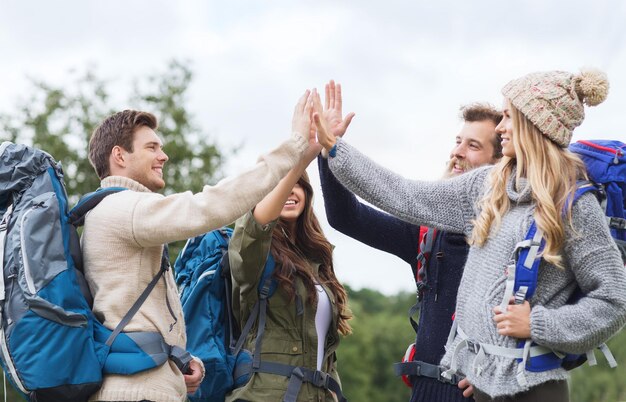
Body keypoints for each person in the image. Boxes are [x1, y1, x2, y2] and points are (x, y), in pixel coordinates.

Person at [314, 70, 626, 401]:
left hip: (535, 389)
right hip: (479, 389)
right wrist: (335, 150)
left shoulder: (574, 205)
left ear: (536, 125)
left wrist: (538, 324)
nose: (502, 127)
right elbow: (405, 195)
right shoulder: (487, 187)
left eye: (509, 117)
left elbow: (613, 300)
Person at [82, 91, 313, 402]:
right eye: (152, 147)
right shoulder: (125, 209)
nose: (163, 156)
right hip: (136, 391)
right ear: (119, 156)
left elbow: (134, 315)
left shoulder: (106, 214)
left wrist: (177, 362)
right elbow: (210, 206)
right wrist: (294, 147)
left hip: (141, 382)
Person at [317, 81, 502, 402]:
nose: (456, 152)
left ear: (497, 165)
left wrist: (499, 373)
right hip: (424, 390)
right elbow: (345, 217)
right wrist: (327, 152)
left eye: (473, 146)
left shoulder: (511, 235)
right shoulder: (427, 234)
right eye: (458, 141)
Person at [227, 132, 351, 401]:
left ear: (306, 193)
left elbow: (327, 354)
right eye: (278, 185)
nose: (289, 191)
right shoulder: (251, 251)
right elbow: (257, 225)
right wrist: (302, 157)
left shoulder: (316, 259)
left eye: (297, 183)